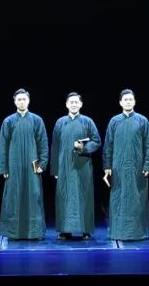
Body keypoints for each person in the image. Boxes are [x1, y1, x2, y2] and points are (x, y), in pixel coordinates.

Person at [102, 89, 149, 241]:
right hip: (118, 168)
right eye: (125, 99)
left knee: (138, 198)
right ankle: (118, 232)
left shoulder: (142, 121)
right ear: (120, 102)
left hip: (137, 168)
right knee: (118, 199)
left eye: (131, 99)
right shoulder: (114, 121)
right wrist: (107, 166)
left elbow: (148, 144)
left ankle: (138, 232)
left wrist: (148, 165)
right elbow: (108, 145)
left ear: (135, 102)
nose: (128, 102)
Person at [0, 89, 48, 240]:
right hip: (14, 165)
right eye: (19, 99)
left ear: (28, 101)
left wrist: (42, 164)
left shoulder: (37, 120)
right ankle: (13, 232)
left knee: (33, 195)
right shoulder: (8, 121)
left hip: (33, 165)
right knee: (14, 196)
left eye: (24, 99)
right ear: (15, 102)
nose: (21, 102)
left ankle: (34, 232)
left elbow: (43, 143)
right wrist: (4, 167)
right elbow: (3, 146)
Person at [50, 92, 100, 240]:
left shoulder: (87, 122)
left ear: (81, 104)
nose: (73, 104)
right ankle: (64, 230)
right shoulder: (60, 122)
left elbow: (97, 141)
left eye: (76, 102)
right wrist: (55, 169)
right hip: (64, 166)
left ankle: (86, 230)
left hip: (82, 165)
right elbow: (55, 146)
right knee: (63, 196)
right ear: (66, 104)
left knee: (85, 196)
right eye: (71, 102)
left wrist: (83, 148)